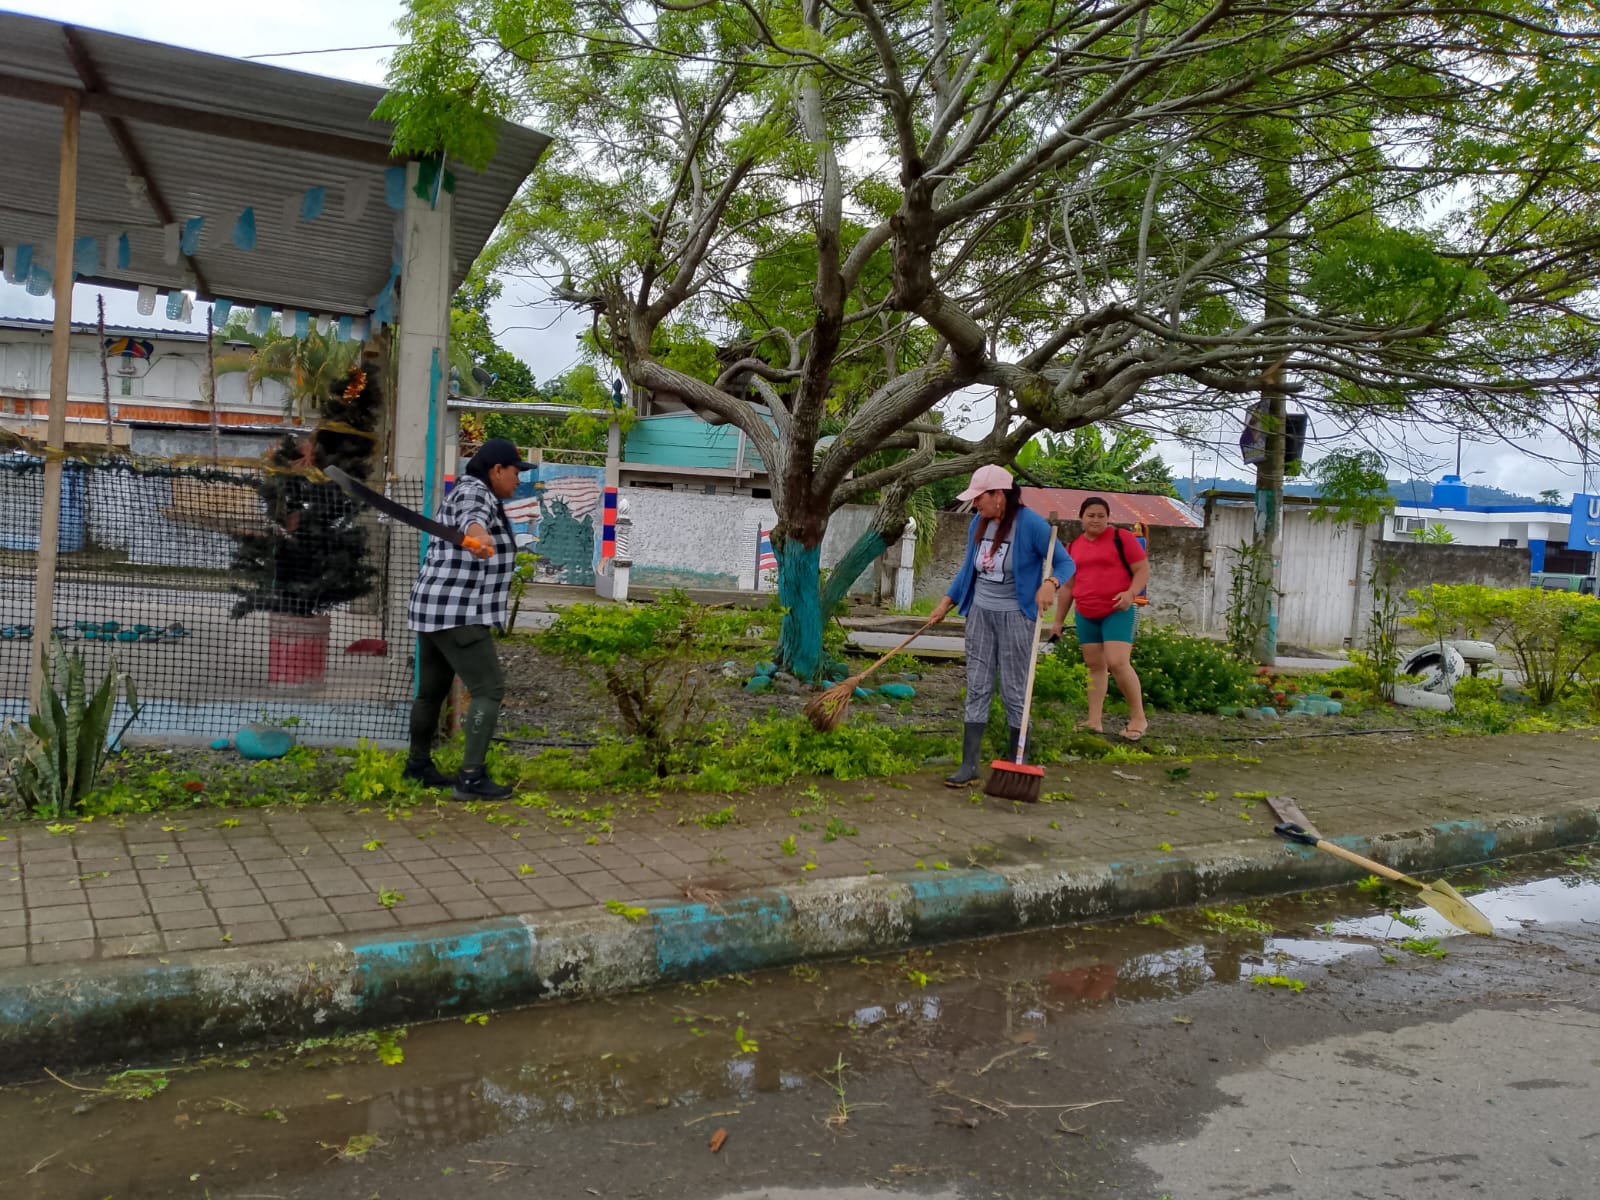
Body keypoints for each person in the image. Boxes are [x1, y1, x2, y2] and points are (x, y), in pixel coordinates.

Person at [404, 437, 532, 800]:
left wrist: (479, 538)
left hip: (432, 609)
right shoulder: (476, 491)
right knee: (488, 690)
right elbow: (473, 518)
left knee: (430, 694)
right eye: (515, 472)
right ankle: (471, 778)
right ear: (497, 470)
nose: (518, 480)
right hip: (459, 612)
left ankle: (418, 767)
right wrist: (478, 537)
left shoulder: (467, 490)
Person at [928, 465, 1072, 787]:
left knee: (1013, 689)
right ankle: (969, 765)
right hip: (980, 614)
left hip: (1016, 617)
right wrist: (945, 602)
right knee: (977, 684)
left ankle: (1017, 761)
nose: (975, 504)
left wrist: (1050, 583)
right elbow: (968, 569)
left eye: (980, 497)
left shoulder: (1031, 525)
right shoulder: (978, 524)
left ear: (999, 495)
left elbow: (1065, 562)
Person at [1050, 496, 1149, 741]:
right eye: (1091, 515)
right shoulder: (1073, 547)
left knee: (1118, 662)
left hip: (1118, 610)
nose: (1096, 520)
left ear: (1108, 518)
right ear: (1081, 518)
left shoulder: (1121, 538)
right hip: (1086, 612)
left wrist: (1130, 593)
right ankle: (1094, 721)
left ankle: (1138, 718)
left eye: (1101, 516)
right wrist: (1058, 621)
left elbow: (1142, 569)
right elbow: (1068, 587)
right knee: (1095, 666)